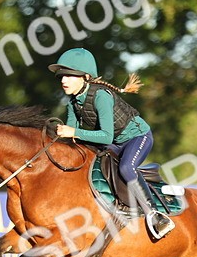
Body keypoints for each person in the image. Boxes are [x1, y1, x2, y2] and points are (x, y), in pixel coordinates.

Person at [48, 48, 175, 239]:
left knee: (126, 167)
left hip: (137, 137)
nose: (63, 81)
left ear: (86, 77)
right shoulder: (72, 103)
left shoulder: (101, 96)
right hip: (115, 143)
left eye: (69, 76)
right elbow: (73, 140)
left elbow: (106, 136)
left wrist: (73, 131)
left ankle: (156, 215)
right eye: (61, 76)